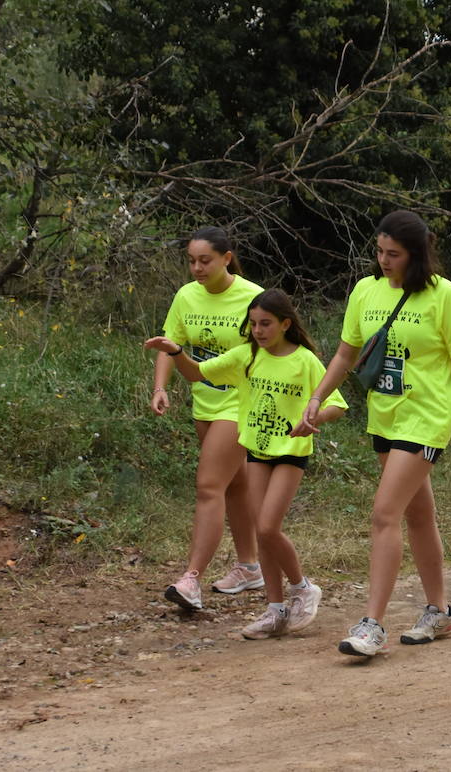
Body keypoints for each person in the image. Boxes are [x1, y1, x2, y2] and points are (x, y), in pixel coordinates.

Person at [299, 210, 451, 659]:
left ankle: (372, 624)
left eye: (393, 254)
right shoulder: (366, 290)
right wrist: (317, 396)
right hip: (385, 415)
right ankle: (440, 611)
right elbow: (344, 354)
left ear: (416, 254)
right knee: (417, 514)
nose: (384, 260)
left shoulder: (444, 296)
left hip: (428, 416)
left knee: (384, 514)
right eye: (379, 251)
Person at [145, 289, 348, 638]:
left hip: (290, 452)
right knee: (261, 532)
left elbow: (337, 404)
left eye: (266, 323)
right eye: (253, 324)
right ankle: (274, 609)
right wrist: (176, 351)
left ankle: (302, 587)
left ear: (286, 324)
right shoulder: (245, 356)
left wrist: (315, 417)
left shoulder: (305, 360)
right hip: (256, 450)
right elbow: (195, 374)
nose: (258, 330)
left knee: (268, 528)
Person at [151, 226, 264, 612]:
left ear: (226, 258)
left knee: (208, 485)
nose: (197, 269)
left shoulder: (252, 297)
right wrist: (160, 388)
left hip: (241, 403)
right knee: (235, 485)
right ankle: (251, 567)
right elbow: (170, 345)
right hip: (204, 400)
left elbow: (273, 347)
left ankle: (191, 579)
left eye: (205, 261)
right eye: (191, 261)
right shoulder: (186, 296)